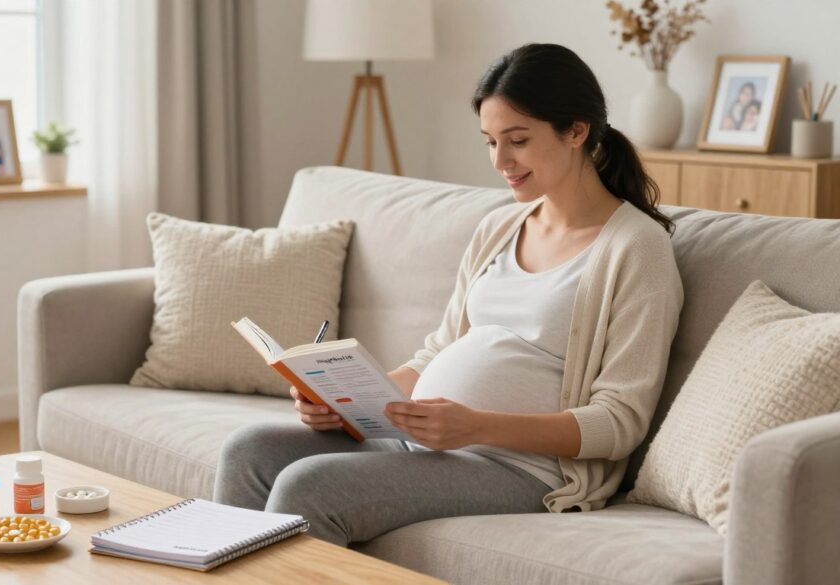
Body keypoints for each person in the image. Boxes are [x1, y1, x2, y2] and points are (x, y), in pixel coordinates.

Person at [212, 43, 684, 547]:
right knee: (248, 449)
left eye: (517, 140)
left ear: (576, 131)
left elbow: (619, 424)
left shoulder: (637, 249)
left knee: (311, 487)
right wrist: (344, 399)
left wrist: (476, 426)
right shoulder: (501, 226)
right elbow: (437, 352)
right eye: (490, 141)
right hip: (425, 442)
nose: (500, 161)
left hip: (523, 470)